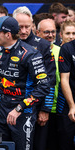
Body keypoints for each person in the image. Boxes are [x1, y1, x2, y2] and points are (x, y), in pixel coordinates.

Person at [0, 16, 50, 150]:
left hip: (23, 112)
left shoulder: (30, 54)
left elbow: (44, 86)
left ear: (8, 35)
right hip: (1, 110)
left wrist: (19, 108)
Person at [13, 6, 56, 150]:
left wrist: (45, 109)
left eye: (27, 26)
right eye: (20, 27)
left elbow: (50, 79)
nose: (24, 31)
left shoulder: (43, 45)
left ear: (33, 25)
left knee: (37, 145)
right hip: (12, 105)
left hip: (36, 107)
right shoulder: (8, 42)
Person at [36, 18, 60, 150]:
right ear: (37, 32)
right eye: (46, 32)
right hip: (40, 107)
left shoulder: (61, 51)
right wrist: (45, 109)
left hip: (58, 108)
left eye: (53, 31)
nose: (50, 35)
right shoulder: (32, 51)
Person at [58, 39, 75, 150]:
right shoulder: (67, 48)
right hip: (69, 101)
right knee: (65, 141)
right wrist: (72, 106)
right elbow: (64, 79)